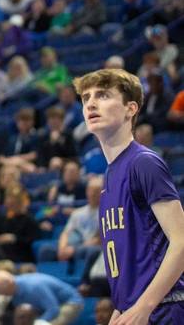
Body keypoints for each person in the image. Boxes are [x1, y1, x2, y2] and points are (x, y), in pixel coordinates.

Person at [75, 67, 184, 322]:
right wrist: (122, 306)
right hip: (136, 309)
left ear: (130, 109)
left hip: (165, 308)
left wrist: (144, 306)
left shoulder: (143, 163)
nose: (91, 103)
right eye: (86, 98)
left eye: (102, 95)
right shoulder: (110, 174)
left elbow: (182, 242)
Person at [0, 270, 84, 325]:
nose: (1, 295)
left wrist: (38, 322)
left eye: (0, 292)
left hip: (69, 303)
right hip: (45, 307)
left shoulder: (34, 287)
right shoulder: (12, 291)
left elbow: (53, 309)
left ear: (9, 284)